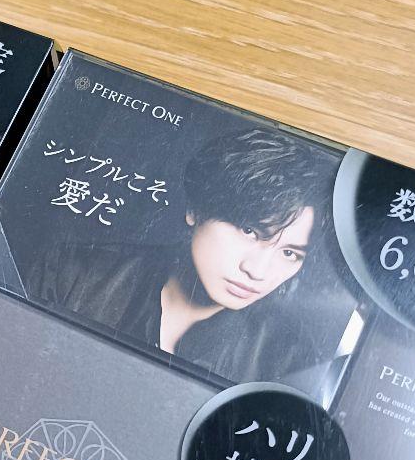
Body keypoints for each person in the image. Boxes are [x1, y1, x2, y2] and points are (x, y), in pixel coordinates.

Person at [25, 127, 344, 384]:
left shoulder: (288, 359)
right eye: (249, 231)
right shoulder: (73, 272)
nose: (257, 271)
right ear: (196, 210)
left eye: (289, 253)